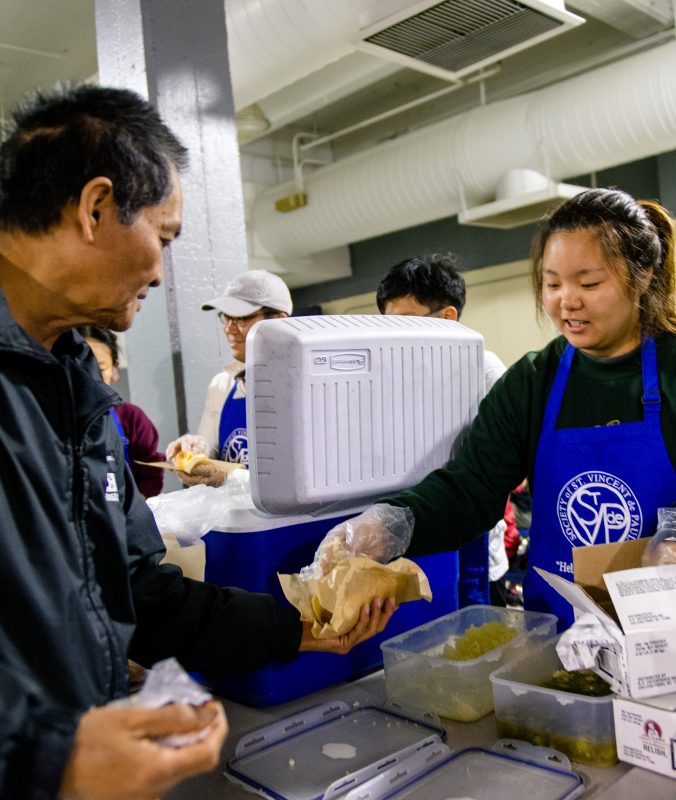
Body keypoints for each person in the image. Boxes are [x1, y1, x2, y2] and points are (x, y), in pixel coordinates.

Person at [0, 84, 396, 800]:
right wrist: (46, 756)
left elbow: (140, 594)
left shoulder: (77, 397)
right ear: (94, 208)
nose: (160, 271)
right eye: (166, 237)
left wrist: (298, 627)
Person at [315, 187, 676, 629]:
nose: (567, 301)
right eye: (552, 283)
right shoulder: (534, 380)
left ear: (642, 276)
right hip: (563, 635)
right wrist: (389, 524)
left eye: (589, 283)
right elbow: (471, 487)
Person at [376, 253, 513, 606]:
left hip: (472, 540)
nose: (394, 338)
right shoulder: (389, 375)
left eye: (404, 323)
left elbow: (511, 467)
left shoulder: (484, 369)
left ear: (448, 318)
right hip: (411, 531)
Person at [165, 269, 291, 487]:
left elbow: (300, 481)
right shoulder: (222, 385)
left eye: (241, 318)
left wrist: (229, 477)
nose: (229, 329)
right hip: (236, 519)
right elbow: (210, 447)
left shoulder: (304, 386)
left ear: (278, 320)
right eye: (226, 317)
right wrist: (195, 448)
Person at [77, 324, 165, 498]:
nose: (91, 377)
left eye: (100, 368)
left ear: (115, 371)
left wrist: (133, 513)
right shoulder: (51, 420)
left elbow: (151, 474)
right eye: (82, 366)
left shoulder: (132, 418)